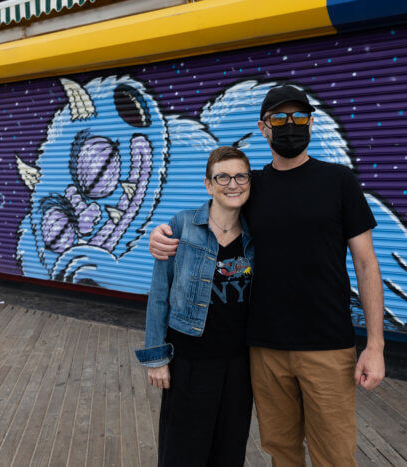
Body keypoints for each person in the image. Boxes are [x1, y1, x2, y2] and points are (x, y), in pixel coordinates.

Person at [150, 85, 385, 466]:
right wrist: (162, 234)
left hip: (327, 348)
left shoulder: (339, 181)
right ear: (263, 127)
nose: (289, 125)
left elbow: (366, 264)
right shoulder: (251, 187)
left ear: (311, 123)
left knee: (336, 456)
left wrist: (375, 346)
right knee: (282, 452)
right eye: (279, 118)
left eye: (298, 118)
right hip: (264, 351)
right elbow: (207, 218)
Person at [135, 146, 255, 466]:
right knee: (182, 453)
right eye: (223, 177)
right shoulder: (182, 226)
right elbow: (160, 293)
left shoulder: (257, 233)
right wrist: (156, 356)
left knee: (229, 451)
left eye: (241, 176)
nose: (233, 184)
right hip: (189, 361)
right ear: (208, 184)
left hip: (239, 365)